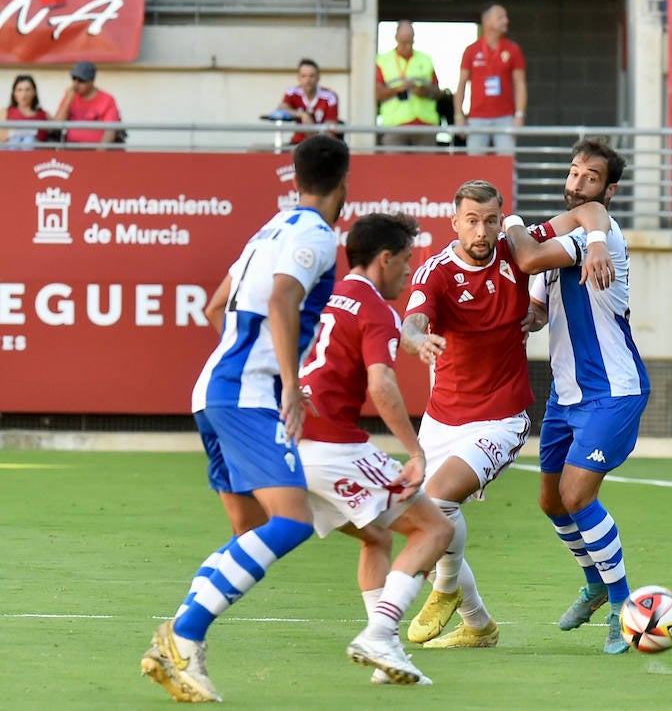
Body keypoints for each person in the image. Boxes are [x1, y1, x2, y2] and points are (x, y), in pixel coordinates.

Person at [140, 135, 351, 703]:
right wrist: (286, 383)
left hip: (212, 389)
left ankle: (175, 641)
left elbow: (215, 307)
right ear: (344, 185)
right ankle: (184, 636)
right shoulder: (316, 235)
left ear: (295, 178)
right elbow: (284, 300)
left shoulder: (270, 229)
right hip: (248, 397)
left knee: (251, 531)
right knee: (292, 522)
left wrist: (250, 364)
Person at [400, 179, 613, 652]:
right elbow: (411, 320)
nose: (481, 231)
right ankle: (478, 624)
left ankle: (445, 589)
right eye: (471, 221)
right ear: (454, 222)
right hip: (440, 420)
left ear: (503, 220)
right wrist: (417, 340)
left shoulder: (519, 253)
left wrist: (596, 242)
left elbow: (591, 211)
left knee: (436, 504)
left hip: (499, 417)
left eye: (491, 221)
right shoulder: (434, 272)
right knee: (429, 519)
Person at [502, 139, 652, 655]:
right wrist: (525, 320)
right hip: (567, 395)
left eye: (590, 176)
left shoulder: (597, 233)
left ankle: (624, 607)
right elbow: (541, 309)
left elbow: (525, 254)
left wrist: (513, 220)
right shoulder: (574, 236)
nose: (577, 182)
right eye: (573, 171)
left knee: (577, 496)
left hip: (613, 390)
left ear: (610, 189)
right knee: (550, 501)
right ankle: (593, 584)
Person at [296, 213, 453, 686]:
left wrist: (412, 340)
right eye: (405, 262)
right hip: (331, 444)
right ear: (384, 259)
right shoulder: (375, 308)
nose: (408, 274)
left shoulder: (333, 292)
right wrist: (416, 452)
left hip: (291, 443)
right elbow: (381, 385)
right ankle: (381, 635)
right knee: (434, 530)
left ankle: (387, 652)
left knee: (377, 536)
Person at [455, 4, 526, 154]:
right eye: (500, 17)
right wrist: (458, 114)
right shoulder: (471, 50)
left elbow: (520, 83)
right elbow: (461, 84)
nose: (506, 21)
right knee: (475, 165)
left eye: (505, 17)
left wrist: (519, 115)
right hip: (477, 117)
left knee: (507, 164)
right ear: (487, 21)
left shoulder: (513, 49)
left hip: (505, 116)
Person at [375, 20, 440, 149]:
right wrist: (398, 89)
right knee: (395, 168)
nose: (408, 46)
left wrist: (422, 90)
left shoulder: (425, 59)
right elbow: (377, 93)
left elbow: (437, 92)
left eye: (411, 42)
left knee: (427, 168)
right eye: (404, 42)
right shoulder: (383, 60)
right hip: (395, 126)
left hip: (425, 125)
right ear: (396, 38)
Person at [277, 58, 342, 145]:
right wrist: (302, 115)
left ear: (318, 77)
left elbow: (330, 128)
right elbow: (282, 107)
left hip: (324, 144)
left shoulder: (330, 97)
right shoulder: (292, 93)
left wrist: (311, 130)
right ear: (298, 78)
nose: (307, 80)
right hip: (298, 144)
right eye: (304, 76)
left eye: (311, 76)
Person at [53, 60, 120, 143]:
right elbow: (56, 125)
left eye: (81, 80)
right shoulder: (70, 96)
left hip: (96, 149)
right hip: (71, 148)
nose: (75, 84)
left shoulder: (107, 99)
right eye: (74, 78)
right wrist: (68, 101)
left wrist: (100, 152)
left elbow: (110, 131)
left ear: (91, 81)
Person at [3, 75, 54, 147]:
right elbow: (2, 137)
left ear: (34, 92)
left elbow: (58, 130)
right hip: (11, 151)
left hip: (36, 153)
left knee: (29, 140)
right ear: (14, 93)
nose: (24, 94)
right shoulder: (6, 112)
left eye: (27, 90)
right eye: (19, 90)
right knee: (16, 140)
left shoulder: (44, 115)